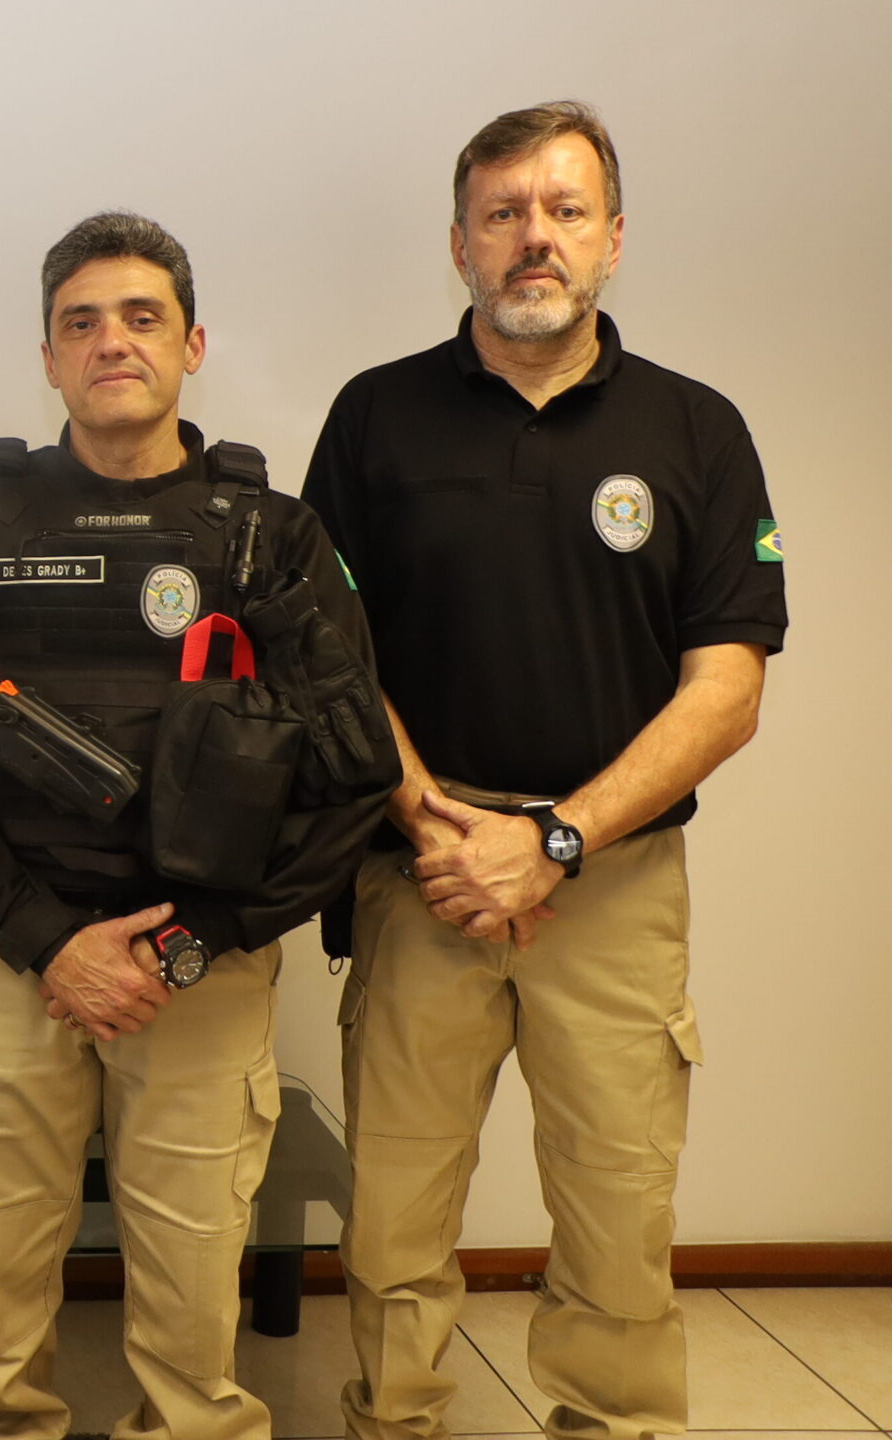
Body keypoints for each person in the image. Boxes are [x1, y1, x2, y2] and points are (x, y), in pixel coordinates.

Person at [305, 101, 786, 1440]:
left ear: (614, 238)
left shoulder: (697, 429)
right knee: (396, 1223)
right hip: (423, 878)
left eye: (565, 211)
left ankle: (612, 1424)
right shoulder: (375, 417)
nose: (535, 239)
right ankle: (394, 1423)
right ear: (459, 242)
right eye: (505, 213)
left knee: (621, 1215)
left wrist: (557, 840)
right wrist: (448, 830)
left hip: (615, 890)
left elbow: (729, 685)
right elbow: (327, 657)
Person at [0, 211, 394, 1440]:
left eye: (141, 316)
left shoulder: (271, 535)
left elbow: (350, 773)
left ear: (193, 343)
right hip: (10, 956)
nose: (112, 341)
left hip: (198, 966)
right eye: (81, 323)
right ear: (48, 358)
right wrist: (47, 937)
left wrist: (196, 937)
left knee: (193, 1278)